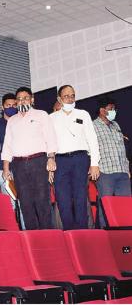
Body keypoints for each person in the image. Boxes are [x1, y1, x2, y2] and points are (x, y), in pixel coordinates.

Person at [2, 86, 57, 230]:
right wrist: (6, 167)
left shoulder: (41, 115)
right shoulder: (12, 120)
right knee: (25, 203)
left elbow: (50, 138)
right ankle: (33, 239)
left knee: (42, 201)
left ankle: (48, 235)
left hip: (38, 162)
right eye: (19, 99)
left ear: (32, 99)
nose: (21, 101)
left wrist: (51, 158)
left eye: (25, 98)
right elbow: (7, 144)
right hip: (19, 165)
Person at [50, 85, 100, 230]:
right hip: (60, 161)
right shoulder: (51, 118)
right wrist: (50, 163)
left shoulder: (83, 114)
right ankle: (68, 232)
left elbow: (92, 139)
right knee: (62, 198)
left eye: (72, 95)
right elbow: (48, 142)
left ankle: (82, 232)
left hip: (80, 159)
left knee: (80, 197)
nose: (70, 99)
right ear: (59, 98)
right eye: (66, 96)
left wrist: (94, 163)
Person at [94, 97, 131, 226]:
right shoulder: (93, 126)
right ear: (102, 110)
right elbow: (91, 149)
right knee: (106, 206)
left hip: (122, 172)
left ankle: (126, 235)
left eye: (114, 109)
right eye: (111, 109)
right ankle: (105, 235)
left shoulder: (116, 125)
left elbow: (121, 147)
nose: (113, 111)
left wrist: (127, 169)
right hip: (105, 172)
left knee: (126, 206)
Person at [0, 93, 18, 189]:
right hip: (0, 168)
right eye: (8, 105)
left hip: (18, 167)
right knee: (6, 201)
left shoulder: (20, 123)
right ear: (2, 107)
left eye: (14, 105)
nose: (11, 107)